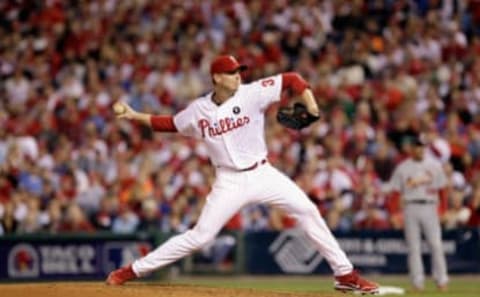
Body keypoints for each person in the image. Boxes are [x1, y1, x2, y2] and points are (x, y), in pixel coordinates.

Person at [106, 55, 379, 294]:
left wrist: (312, 106)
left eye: (239, 72)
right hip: (229, 181)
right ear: (216, 77)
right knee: (200, 236)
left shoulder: (251, 93)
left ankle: (345, 275)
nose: (238, 77)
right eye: (232, 73)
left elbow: (292, 80)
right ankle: (132, 271)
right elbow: (166, 124)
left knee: (307, 211)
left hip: (263, 173)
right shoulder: (198, 110)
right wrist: (133, 115)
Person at [382, 135, 448, 291]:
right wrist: (393, 213)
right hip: (410, 207)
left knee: (436, 245)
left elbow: (443, 189)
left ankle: (442, 280)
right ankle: (417, 282)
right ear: (412, 149)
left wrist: (443, 209)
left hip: (430, 205)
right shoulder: (403, 167)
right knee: (413, 247)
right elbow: (395, 193)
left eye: (422, 146)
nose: (420, 149)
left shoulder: (434, 165)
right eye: (417, 146)